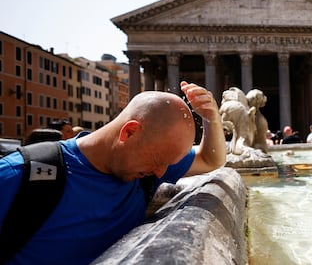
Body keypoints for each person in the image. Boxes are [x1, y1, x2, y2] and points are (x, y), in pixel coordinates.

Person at [0, 81, 226, 265]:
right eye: (159, 161)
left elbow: (210, 159)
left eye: (168, 164)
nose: (160, 174)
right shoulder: (18, 175)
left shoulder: (144, 171)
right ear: (129, 132)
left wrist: (212, 118)